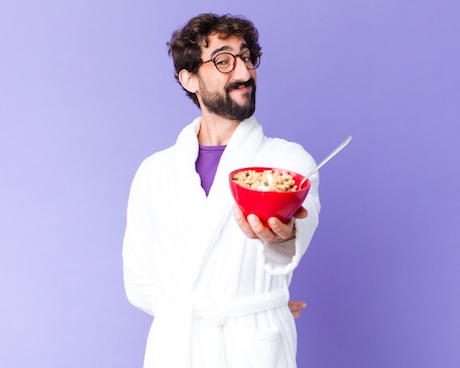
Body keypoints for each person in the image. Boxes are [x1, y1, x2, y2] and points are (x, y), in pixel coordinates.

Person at [122, 13, 320, 368]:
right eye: (223, 61)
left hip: (251, 352)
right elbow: (139, 283)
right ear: (190, 79)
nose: (244, 73)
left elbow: (293, 241)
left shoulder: (288, 161)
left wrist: (261, 298)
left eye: (246, 58)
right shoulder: (154, 173)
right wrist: (220, 305)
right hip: (176, 351)